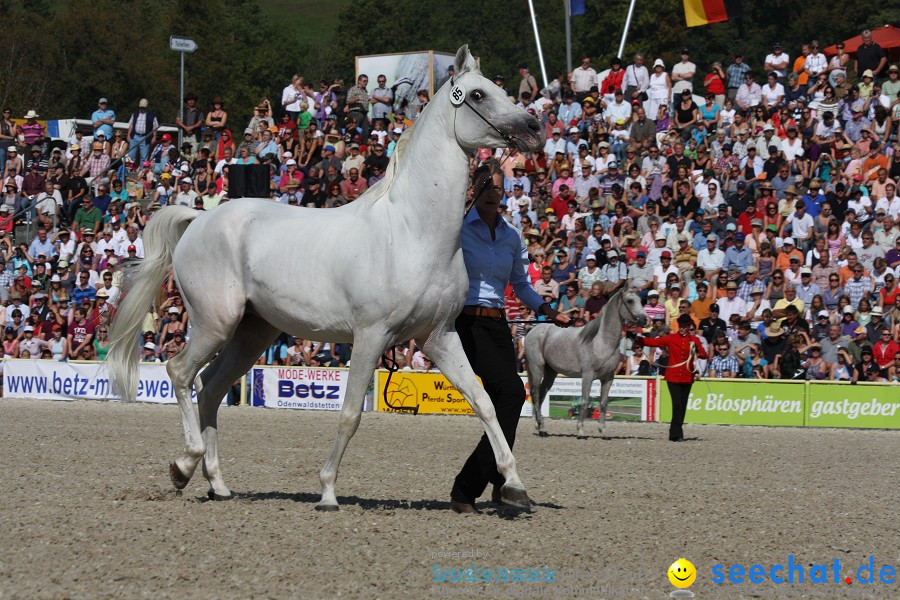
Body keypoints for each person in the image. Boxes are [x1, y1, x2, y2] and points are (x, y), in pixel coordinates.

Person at [450, 161, 570, 515]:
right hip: (466, 321)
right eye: (485, 186)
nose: (491, 193)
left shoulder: (512, 236)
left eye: (497, 187)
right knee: (511, 392)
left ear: (504, 193)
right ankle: (465, 490)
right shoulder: (456, 231)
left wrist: (547, 310)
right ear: (473, 191)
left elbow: (520, 285)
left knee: (512, 399)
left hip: (498, 323)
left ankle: (501, 485)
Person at [638, 313, 708, 441]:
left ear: (689, 327)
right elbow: (654, 342)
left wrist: (697, 349)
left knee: (682, 405)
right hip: (673, 377)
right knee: (677, 405)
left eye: (684, 326)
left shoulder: (694, 340)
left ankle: (675, 432)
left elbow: (704, 355)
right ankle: (676, 434)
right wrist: (638, 340)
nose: (682, 328)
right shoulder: (671, 338)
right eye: (680, 326)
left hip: (687, 377)